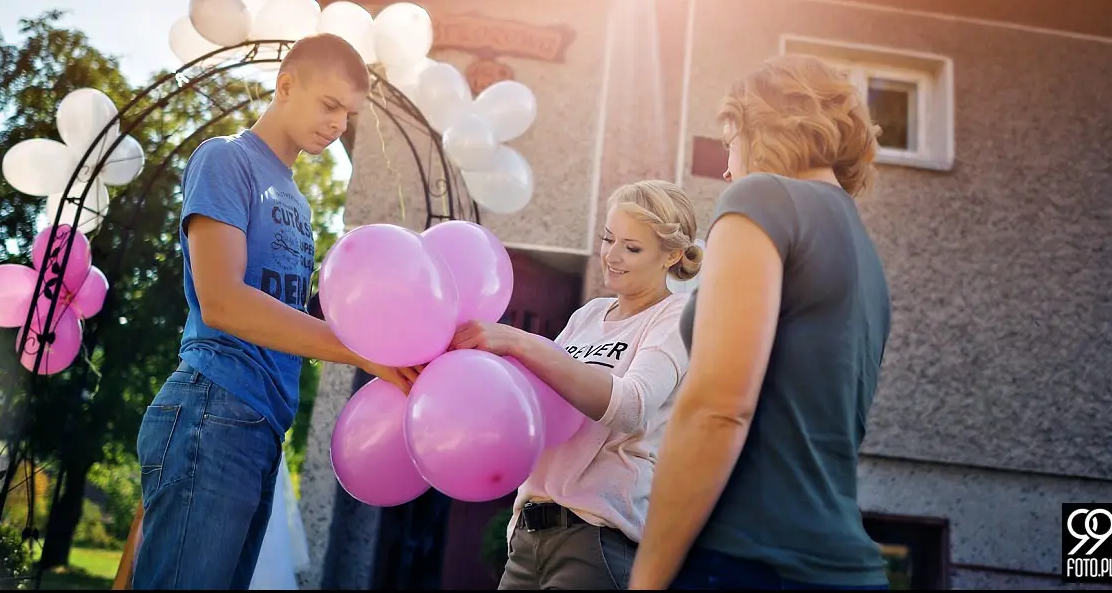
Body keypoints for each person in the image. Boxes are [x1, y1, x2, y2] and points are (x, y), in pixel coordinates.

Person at [132, 34, 420, 590]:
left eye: (349, 114)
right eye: (329, 105)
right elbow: (223, 302)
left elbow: (289, 317)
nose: (339, 124)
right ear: (285, 86)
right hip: (212, 408)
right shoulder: (226, 159)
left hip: (262, 426)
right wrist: (365, 353)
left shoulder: (297, 201)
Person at [630, 55, 893, 591]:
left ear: (763, 126)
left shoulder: (764, 197)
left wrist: (647, 579)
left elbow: (718, 408)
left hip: (745, 561)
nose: (728, 168)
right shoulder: (865, 254)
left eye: (729, 141)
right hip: (844, 569)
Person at [451, 180, 704, 591]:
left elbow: (630, 406)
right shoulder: (589, 315)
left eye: (632, 247)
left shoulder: (675, 318)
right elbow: (540, 403)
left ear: (672, 255)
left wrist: (518, 340)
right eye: (608, 239)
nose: (612, 256)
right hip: (527, 535)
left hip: (596, 539)